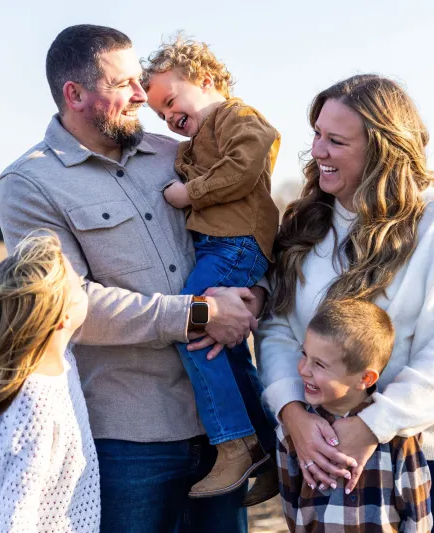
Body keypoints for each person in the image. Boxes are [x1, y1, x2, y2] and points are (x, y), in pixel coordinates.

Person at [0, 24, 266, 532]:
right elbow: (66, 306)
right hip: (125, 441)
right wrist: (198, 314)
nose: (143, 95)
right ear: (74, 94)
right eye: (124, 85)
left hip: (220, 431)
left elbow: (240, 228)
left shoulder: (177, 154)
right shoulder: (29, 183)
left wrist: (255, 294)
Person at [258, 74, 434, 533]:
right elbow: (277, 331)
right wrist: (294, 416)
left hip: (433, 452)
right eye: (318, 135)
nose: (318, 152)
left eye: (336, 141)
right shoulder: (306, 223)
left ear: (383, 149)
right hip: (320, 448)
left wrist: (371, 426)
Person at [141, 35, 280, 500]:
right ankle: (268, 446)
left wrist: (188, 193)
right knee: (226, 347)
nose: (169, 117)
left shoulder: (238, 116)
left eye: (171, 101)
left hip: (235, 244)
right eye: (160, 114)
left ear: (204, 79)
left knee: (193, 324)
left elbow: (247, 161)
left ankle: (233, 442)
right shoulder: (197, 139)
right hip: (219, 246)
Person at [0, 232, 99, 533]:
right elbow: (14, 516)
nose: (86, 287)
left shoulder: (64, 364)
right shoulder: (33, 408)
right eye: (79, 285)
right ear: (63, 315)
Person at [277, 298, 432, 532]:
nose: (303, 370)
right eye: (304, 355)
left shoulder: (399, 436)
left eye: (319, 364)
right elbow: (292, 508)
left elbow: (417, 518)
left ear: (365, 379)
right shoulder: (293, 432)